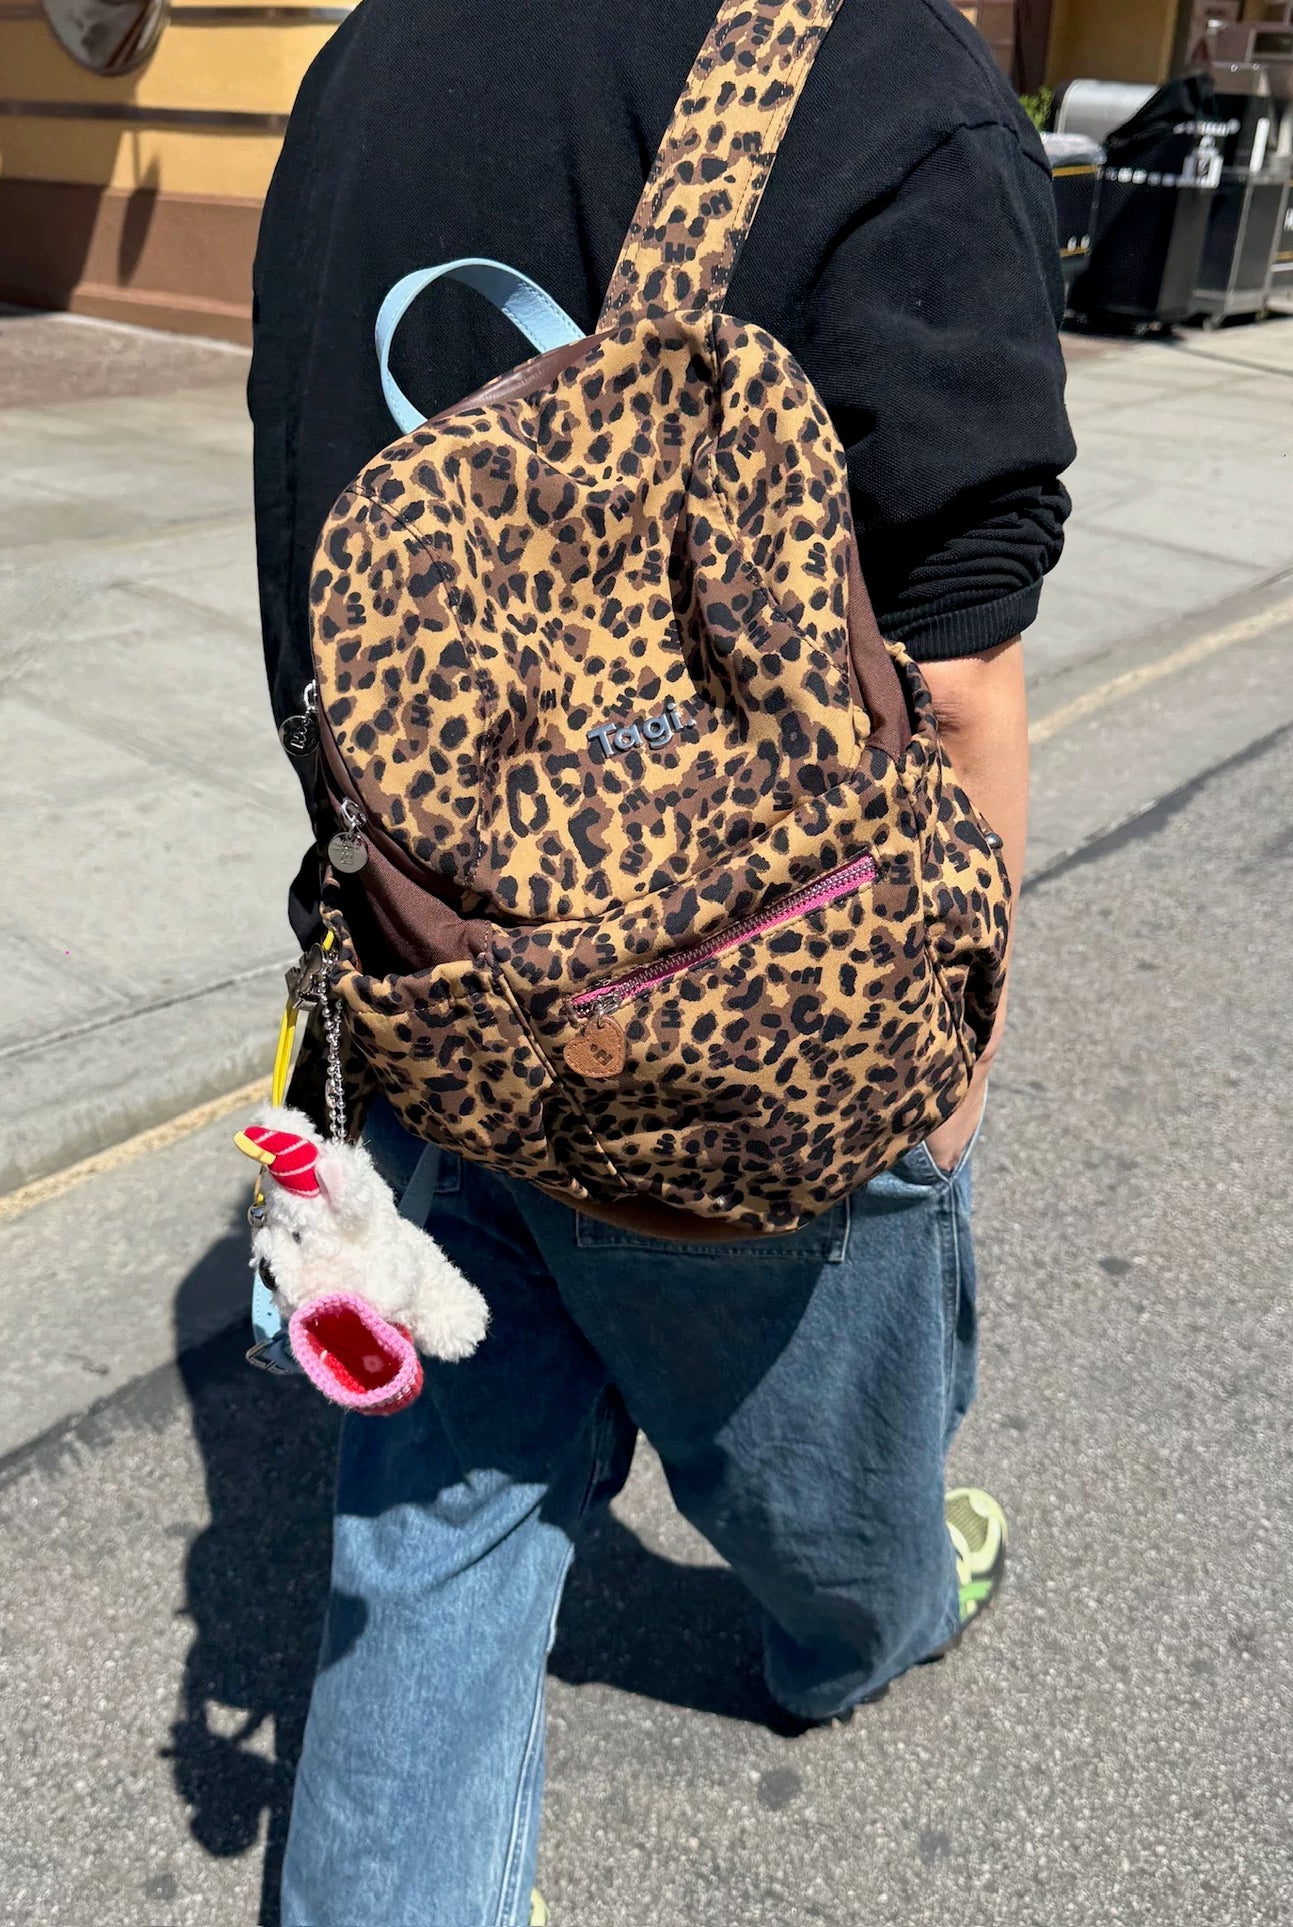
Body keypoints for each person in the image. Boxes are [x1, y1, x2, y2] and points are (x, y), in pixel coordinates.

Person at [249, 0, 1074, 1919]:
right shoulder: (880, 78)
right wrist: (945, 1075)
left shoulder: (369, 52)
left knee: (430, 1543)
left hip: (431, 975)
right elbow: (952, 671)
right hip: (758, 1022)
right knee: (826, 1485)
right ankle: (853, 1641)